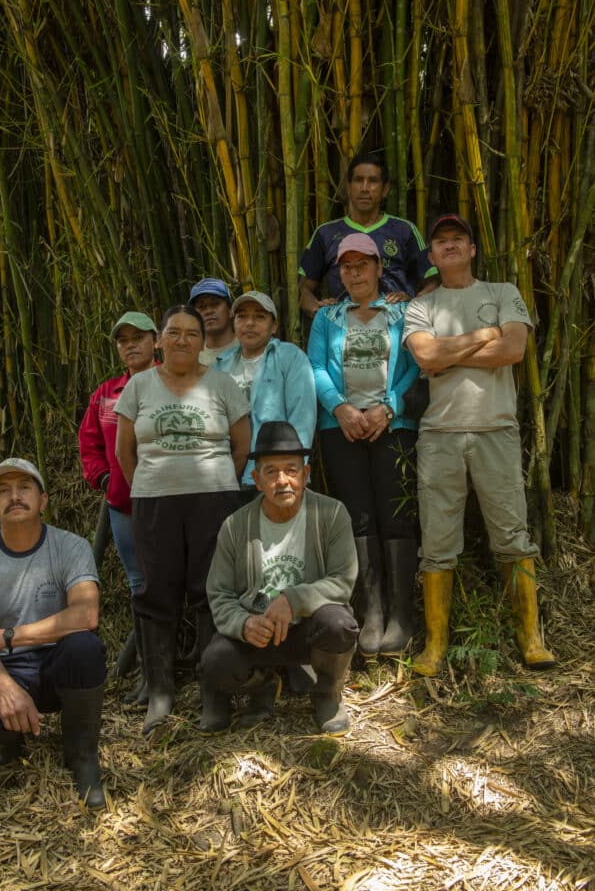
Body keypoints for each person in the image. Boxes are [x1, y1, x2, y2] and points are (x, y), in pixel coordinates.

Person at [402, 213, 556, 675]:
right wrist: (486, 334)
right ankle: (434, 645)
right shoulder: (420, 306)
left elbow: (513, 351)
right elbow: (427, 358)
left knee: (512, 535)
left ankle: (531, 638)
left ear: (472, 249)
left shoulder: (502, 292)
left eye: (458, 239)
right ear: (430, 256)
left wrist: (452, 352)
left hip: (497, 430)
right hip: (439, 435)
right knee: (438, 540)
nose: (450, 246)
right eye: (441, 242)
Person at [114, 305, 251, 735]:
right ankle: (161, 691)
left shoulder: (222, 383)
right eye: (174, 332)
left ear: (201, 341)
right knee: (158, 591)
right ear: (160, 339)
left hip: (213, 499)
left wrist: (211, 478)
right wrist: (151, 486)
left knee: (211, 589)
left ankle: (214, 692)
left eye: (192, 333)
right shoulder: (139, 386)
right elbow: (124, 452)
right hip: (155, 501)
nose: (182, 340)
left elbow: (241, 445)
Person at [0, 458, 106, 808]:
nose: (14, 497)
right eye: (3, 491)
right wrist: (4, 686)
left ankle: (81, 751)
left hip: (58, 664)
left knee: (85, 647)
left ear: (43, 500)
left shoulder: (72, 547)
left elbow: (86, 614)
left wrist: (6, 637)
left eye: (24, 488)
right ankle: (10, 744)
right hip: (8, 668)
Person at [199, 422, 358, 736]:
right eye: (271, 472)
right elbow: (219, 594)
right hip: (259, 630)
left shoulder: (332, 514)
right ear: (256, 479)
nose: (283, 481)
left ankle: (326, 692)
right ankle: (263, 683)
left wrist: (293, 600)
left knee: (339, 624)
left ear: (306, 473)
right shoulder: (235, 526)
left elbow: (342, 581)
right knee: (214, 663)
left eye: (291, 470)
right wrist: (244, 624)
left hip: (308, 629)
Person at [307, 233, 421, 657]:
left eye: (362, 265)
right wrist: (340, 409)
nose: (354, 273)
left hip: (394, 426)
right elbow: (315, 366)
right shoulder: (328, 318)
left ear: (378, 268)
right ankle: (371, 611)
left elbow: (414, 367)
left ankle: (402, 614)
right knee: (359, 515)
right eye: (346, 267)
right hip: (342, 429)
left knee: (397, 513)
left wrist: (388, 408)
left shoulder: (403, 313)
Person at [78, 310, 156, 703]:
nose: (131, 344)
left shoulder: (172, 383)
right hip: (124, 506)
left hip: (171, 505)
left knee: (176, 583)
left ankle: (178, 665)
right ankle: (149, 669)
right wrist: (105, 479)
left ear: (155, 340)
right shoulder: (106, 393)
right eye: (123, 339)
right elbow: (89, 446)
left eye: (138, 336)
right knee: (139, 585)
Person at [299, 152, 436, 318]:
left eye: (373, 181)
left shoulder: (404, 230)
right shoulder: (326, 233)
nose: (365, 188)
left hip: (396, 325)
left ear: (385, 189)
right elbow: (304, 289)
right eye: (358, 180)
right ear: (348, 188)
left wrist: (410, 305)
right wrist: (321, 313)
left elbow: (432, 284)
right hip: (344, 327)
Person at [214, 291, 317, 496]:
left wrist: (294, 473)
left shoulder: (290, 357)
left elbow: (302, 419)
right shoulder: (220, 365)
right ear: (234, 324)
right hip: (229, 472)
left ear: (274, 326)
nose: (249, 323)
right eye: (242, 317)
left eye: (259, 317)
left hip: (276, 473)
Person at [188, 277, 239, 365]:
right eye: (201, 306)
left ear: (230, 310)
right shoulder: (191, 358)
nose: (208, 311)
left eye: (215, 304)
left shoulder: (249, 346)